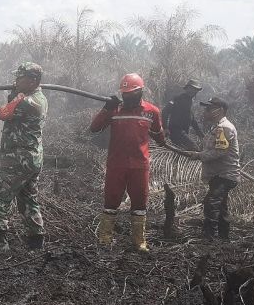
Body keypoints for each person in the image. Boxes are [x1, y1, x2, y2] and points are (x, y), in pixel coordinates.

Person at [0, 62, 48, 252]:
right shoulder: (38, 97)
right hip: (32, 158)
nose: (15, 80)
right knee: (28, 198)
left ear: (32, 81)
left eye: (20, 78)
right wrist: (16, 91)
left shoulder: (28, 103)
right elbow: (13, 104)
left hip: (18, 159)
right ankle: (36, 240)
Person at [90, 73, 165, 252]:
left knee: (140, 203)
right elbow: (94, 128)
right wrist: (106, 109)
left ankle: (139, 241)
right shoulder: (114, 110)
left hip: (140, 165)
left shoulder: (151, 111)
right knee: (111, 201)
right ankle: (105, 238)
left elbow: (159, 135)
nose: (127, 97)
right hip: (116, 164)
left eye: (131, 93)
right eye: (124, 94)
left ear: (140, 92)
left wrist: (162, 138)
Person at [182, 97, 240, 241]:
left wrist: (198, 156)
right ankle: (223, 237)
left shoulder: (224, 128)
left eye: (209, 109)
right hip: (219, 174)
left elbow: (220, 152)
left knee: (211, 203)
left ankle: (210, 238)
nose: (205, 112)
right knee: (220, 206)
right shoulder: (217, 127)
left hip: (224, 175)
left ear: (219, 111)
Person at [162, 79, 204, 151]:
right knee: (194, 147)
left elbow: (192, 119)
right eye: (191, 88)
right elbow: (165, 111)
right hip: (176, 131)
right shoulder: (178, 98)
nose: (193, 91)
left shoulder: (190, 102)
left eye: (195, 89)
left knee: (182, 151)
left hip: (184, 132)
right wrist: (165, 128)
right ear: (187, 88)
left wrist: (200, 134)